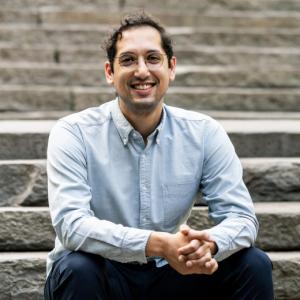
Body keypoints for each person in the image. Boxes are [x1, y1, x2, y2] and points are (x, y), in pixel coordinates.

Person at [44, 12, 274, 300]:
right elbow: (71, 225)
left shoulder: (204, 133)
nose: (142, 71)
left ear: (171, 67)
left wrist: (208, 245)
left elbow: (241, 217)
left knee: (253, 263)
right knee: (76, 267)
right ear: (109, 72)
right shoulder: (73, 132)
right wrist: (157, 244)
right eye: (128, 60)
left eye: (153, 58)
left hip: (174, 274)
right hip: (102, 275)